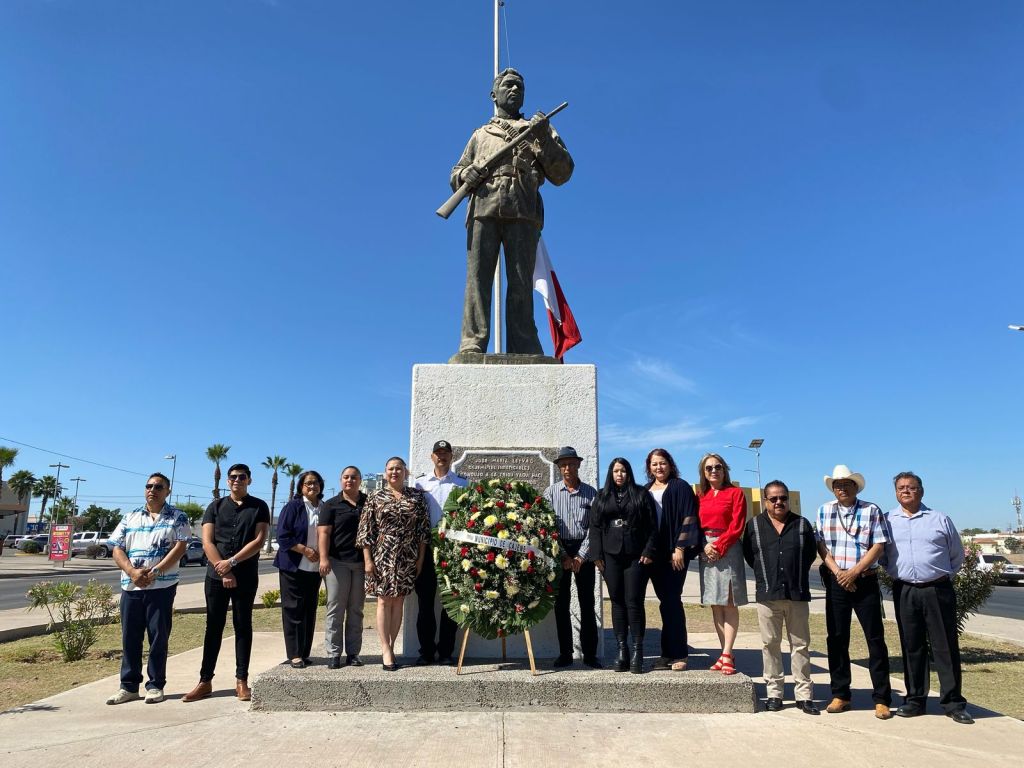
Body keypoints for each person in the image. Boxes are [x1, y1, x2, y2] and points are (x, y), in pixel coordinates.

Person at [450, 67, 574, 355]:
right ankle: (472, 342)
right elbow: (456, 172)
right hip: (484, 207)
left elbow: (563, 173)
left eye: (520, 86)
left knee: (520, 282)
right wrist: (465, 175)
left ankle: (524, 344)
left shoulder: (539, 128)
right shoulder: (480, 134)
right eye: (508, 85)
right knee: (477, 281)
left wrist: (543, 138)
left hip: (523, 209)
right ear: (494, 94)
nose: (515, 90)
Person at [881, 472, 973, 724]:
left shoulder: (939, 519)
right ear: (896, 492)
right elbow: (883, 556)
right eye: (901, 488)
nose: (906, 491)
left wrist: (939, 577)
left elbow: (956, 555)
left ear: (921, 491)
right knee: (912, 646)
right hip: (905, 591)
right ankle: (915, 700)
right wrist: (895, 574)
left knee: (945, 646)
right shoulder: (887, 520)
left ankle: (953, 702)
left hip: (938, 590)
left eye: (911, 487)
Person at [183, 463, 270, 703]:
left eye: (242, 477)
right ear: (227, 480)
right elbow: (207, 542)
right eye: (233, 477)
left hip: (245, 576)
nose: (236, 480)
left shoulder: (259, 507)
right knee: (213, 627)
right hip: (215, 577)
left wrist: (231, 563)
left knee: (243, 627)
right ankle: (205, 681)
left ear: (249, 480)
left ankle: (242, 681)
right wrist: (222, 570)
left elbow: (259, 540)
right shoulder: (215, 507)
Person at [815, 464, 892, 719]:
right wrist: (839, 572)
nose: (841, 488)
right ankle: (840, 694)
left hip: (865, 580)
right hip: (837, 580)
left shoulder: (871, 510)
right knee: (836, 639)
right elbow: (822, 546)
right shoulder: (824, 511)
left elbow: (879, 544)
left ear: (855, 486)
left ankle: (881, 698)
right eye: (837, 485)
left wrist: (855, 571)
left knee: (875, 639)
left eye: (846, 484)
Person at [105, 473, 190, 705]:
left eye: (158, 486)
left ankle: (155, 685)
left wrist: (157, 572)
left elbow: (180, 546)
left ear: (167, 491)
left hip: (162, 586)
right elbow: (116, 548)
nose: (152, 489)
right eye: (149, 486)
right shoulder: (130, 517)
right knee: (130, 637)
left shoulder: (177, 517)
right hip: (131, 587)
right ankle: (129, 686)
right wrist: (132, 572)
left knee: (158, 636)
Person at [743, 480, 819, 714]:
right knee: (770, 645)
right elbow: (749, 554)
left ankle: (804, 695)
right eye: (773, 498)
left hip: (796, 594)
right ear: (765, 501)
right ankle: (774, 693)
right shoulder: (754, 525)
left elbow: (809, 555)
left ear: (788, 499)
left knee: (800, 645)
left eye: (783, 498)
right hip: (768, 594)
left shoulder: (802, 524)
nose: (779, 502)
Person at [356, 457, 430, 671]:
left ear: (405, 472)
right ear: (385, 472)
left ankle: (391, 645)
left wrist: (420, 559)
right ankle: (385, 649)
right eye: (390, 469)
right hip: (382, 553)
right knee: (383, 600)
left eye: (398, 469)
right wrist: (367, 560)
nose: (394, 472)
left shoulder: (416, 497)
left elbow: (423, 531)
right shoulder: (375, 496)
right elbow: (365, 531)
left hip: (408, 554)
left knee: (398, 601)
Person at [590, 457, 657, 674]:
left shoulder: (640, 494)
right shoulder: (601, 496)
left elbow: (652, 526)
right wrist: (596, 554)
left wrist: (649, 550)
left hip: (636, 555)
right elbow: (595, 527)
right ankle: (622, 650)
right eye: (616, 471)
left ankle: (638, 650)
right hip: (610, 556)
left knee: (634, 601)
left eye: (624, 471)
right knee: (617, 601)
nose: (620, 475)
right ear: (611, 473)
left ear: (629, 473)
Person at [644, 448, 701, 672]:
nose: (659, 467)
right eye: (654, 464)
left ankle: (679, 654)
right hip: (655, 555)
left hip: (675, 555)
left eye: (663, 463)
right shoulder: (646, 490)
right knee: (665, 604)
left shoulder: (680, 486)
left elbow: (689, 516)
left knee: (672, 602)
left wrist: (680, 547)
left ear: (670, 464)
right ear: (649, 467)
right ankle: (666, 654)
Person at [544, 446, 600, 668]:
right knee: (561, 604)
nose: (568, 468)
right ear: (559, 468)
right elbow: (547, 526)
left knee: (587, 603)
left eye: (571, 464)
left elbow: (594, 528)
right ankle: (565, 653)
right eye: (563, 464)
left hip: (584, 551)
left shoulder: (591, 493)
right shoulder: (550, 493)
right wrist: (565, 556)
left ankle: (590, 654)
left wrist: (580, 556)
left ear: (578, 465)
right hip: (560, 550)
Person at [413, 440, 468, 666]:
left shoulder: (462, 483)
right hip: (426, 550)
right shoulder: (419, 484)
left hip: (452, 550)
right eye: (438, 453)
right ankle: (426, 651)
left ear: (451, 456)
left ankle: (446, 651)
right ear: (431, 456)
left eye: (445, 453)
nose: (441, 456)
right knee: (425, 604)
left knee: (451, 604)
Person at [696, 453, 749, 676]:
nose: (714, 471)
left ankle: (727, 653)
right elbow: (694, 525)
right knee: (715, 603)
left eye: (718, 467)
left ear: (725, 469)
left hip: (727, 548)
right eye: (709, 468)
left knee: (729, 602)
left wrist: (720, 546)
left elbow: (737, 525)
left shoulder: (735, 493)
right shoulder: (700, 496)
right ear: (704, 473)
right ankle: (724, 652)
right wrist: (704, 545)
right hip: (706, 551)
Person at [273, 470, 326, 668]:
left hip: (315, 568)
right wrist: (304, 550)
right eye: (308, 483)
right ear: (301, 487)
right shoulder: (293, 507)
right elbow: (283, 536)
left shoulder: (324, 508)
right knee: (293, 610)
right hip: (293, 567)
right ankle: (294, 654)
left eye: (316, 483)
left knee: (309, 610)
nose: (312, 486)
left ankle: (305, 652)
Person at [318, 466, 367, 669]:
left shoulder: (368, 502)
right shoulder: (331, 505)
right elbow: (324, 534)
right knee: (335, 608)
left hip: (361, 563)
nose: (350, 480)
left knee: (356, 609)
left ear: (360, 480)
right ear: (340, 480)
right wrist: (323, 558)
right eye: (346, 477)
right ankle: (334, 653)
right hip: (337, 562)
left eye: (353, 477)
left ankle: (353, 653)